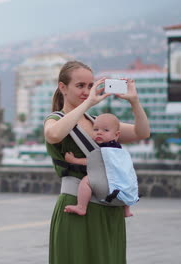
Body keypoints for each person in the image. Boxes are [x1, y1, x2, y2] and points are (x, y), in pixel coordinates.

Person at [44, 61, 150, 264]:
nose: (86, 91)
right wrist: (89, 103)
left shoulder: (98, 124)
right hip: (76, 206)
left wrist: (134, 101)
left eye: (90, 86)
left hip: (109, 207)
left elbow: (141, 132)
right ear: (62, 87)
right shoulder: (55, 119)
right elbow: (53, 134)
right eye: (80, 85)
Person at [63, 113, 135, 217]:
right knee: (127, 185)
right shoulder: (117, 148)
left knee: (86, 181)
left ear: (116, 135)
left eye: (105, 130)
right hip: (121, 181)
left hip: (108, 181)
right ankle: (126, 210)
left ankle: (81, 207)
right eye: (96, 130)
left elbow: (92, 161)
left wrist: (74, 160)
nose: (99, 133)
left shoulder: (106, 148)